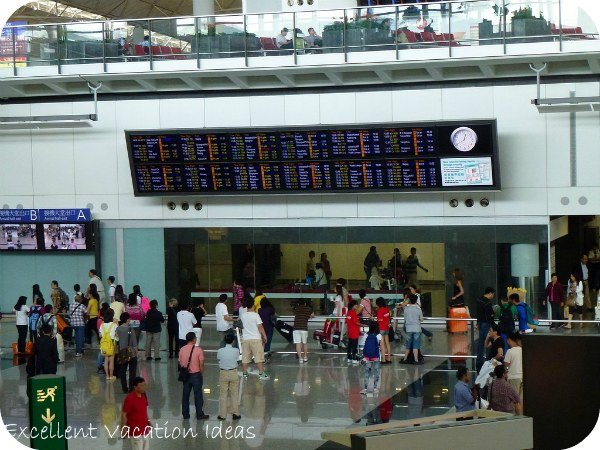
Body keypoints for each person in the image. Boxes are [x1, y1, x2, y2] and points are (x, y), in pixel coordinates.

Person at [178, 332, 209, 420]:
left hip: (186, 375)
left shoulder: (182, 349)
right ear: (193, 339)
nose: (196, 339)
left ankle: (185, 414)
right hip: (196, 375)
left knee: (185, 395)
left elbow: (180, 362)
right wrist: (201, 373)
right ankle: (199, 414)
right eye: (195, 338)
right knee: (198, 395)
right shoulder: (198, 350)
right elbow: (201, 363)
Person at [240, 300, 270, 380]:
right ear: (253, 306)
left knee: (245, 357)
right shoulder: (256, 315)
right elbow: (260, 327)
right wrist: (264, 336)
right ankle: (261, 373)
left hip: (246, 339)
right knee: (258, 357)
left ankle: (245, 373)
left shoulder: (243, 315)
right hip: (255, 339)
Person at [121, 376, 151, 449]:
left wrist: (148, 422)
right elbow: (124, 414)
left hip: (144, 429)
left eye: (144, 385)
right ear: (135, 387)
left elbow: (144, 410)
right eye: (141, 385)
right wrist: (124, 428)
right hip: (135, 430)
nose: (144, 387)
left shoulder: (144, 395)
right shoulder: (129, 399)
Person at [216, 334, 241, 421]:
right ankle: (235, 413)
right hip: (233, 372)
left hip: (223, 373)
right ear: (233, 341)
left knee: (223, 394)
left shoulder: (220, 351)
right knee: (234, 394)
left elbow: (219, 359)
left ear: (224, 341)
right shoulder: (236, 350)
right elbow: (238, 359)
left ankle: (222, 415)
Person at [116, 312, 138, 394]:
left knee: (123, 371)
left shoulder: (117, 329)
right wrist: (136, 351)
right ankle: (131, 388)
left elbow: (116, 340)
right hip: (131, 353)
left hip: (122, 353)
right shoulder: (130, 329)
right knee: (132, 372)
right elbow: (134, 343)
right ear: (127, 319)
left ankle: (124, 388)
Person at [476, 287, 496, 371]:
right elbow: (490, 315)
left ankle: (479, 360)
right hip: (486, 324)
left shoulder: (479, 300)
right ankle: (488, 359)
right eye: (493, 294)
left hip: (480, 323)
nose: (493, 296)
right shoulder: (487, 303)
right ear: (490, 293)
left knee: (481, 343)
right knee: (488, 342)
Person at [400, 294, 423, 365]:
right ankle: (416, 360)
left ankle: (405, 359)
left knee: (408, 345)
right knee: (416, 345)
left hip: (409, 329)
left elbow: (405, 319)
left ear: (409, 300)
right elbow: (421, 319)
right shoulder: (418, 309)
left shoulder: (406, 309)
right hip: (417, 329)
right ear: (416, 300)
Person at [361, 322, 381, 394]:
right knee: (376, 372)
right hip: (376, 356)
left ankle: (365, 388)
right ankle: (375, 388)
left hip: (367, 357)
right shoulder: (378, 335)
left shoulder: (366, 335)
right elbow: (380, 346)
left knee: (367, 372)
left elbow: (363, 345)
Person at [293, 298, 314, 363]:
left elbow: (295, 313)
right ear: (305, 303)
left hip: (296, 328)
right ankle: (305, 357)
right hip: (304, 328)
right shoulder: (308, 309)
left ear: (298, 303)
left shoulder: (296, 309)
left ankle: (300, 359)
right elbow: (312, 315)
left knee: (298, 343)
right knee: (304, 343)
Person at [504, 332, 523, 401]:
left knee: (513, 399)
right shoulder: (522, 349)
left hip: (513, 377)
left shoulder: (510, 351)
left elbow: (506, 364)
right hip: (522, 376)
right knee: (520, 399)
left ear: (509, 340)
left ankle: (514, 412)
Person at [99, 309, 117, 380]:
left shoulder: (102, 325)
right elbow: (117, 334)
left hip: (104, 344)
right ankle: (111, 376)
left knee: (106, 360)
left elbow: (100, 335)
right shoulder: (114, 325)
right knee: (111, 360)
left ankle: (107, 376)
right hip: (112, 343)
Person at [376, 297, 392, 364]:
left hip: (381, 328)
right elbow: (388, 318)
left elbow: (380, 319)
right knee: (387, 343)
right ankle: (389, 358)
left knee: (382, 344)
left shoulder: (380, 310)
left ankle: (383, 359)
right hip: (387, 328)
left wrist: (374, 319)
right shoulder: (387, 309)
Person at [345, 300, 361, 364]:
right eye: (356, 305)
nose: (357, 306)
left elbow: (347, 322)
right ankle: (354, 358)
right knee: (354, 346)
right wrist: (364, 325)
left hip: (350, 332)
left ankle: (349, 357)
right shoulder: (353, 313)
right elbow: (356, 323)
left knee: (350, 345)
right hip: (354, 332)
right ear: (352, 306)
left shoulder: (348, 313)